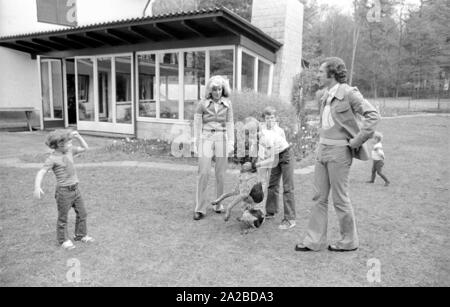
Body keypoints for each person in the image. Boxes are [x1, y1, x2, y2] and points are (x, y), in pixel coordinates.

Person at [295, 57, 380, 252]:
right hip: (322, 151)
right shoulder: (324, 95)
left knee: (340, 199)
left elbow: (373, 115)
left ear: (332, 74)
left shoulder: (349, 93)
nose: (317, 75)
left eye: (320, 72)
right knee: (318, 197)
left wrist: (357, 141)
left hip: (340, 152)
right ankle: (314, 241)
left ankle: (349, 241)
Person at [34, 130, 94, 250]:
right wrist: (37, 186)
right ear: (60, 145)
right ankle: (63, 240)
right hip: (64, 192)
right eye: (69, 142)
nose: (71, 144)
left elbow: (85, 148)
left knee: (82, 213)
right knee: (63, 217)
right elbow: (41, 172)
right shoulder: (52, 159)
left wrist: (79, 137)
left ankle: (80, 235)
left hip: (76, 189)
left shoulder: (69, 151)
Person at [192, 76, 234, 220]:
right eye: (214, 89)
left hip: (222, 138)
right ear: (210, 90)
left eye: (219, 89)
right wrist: (196, 142)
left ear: (223, 89)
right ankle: (200, 209)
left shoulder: (227, 104)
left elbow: (230, 124)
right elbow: (197, 124)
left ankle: (218, 204)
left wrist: (231, 142)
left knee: (220, 174)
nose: (217, 92)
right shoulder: (202, 104)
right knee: (203, 172)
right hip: (206, 138)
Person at [256, 107, 297, 230]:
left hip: (285, 156)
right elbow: (263, 151)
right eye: (267, 117)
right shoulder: (262, 131)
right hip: (275, 156)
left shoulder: (277, 132)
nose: (269, 120)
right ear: (263, 120)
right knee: (272, 184)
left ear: (275, 118)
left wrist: (257, 164)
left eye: (272, 117)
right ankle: (270, 211)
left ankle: (290, 219)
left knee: (288, 187)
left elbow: (274, 151)